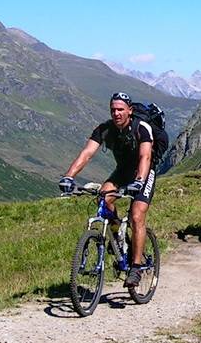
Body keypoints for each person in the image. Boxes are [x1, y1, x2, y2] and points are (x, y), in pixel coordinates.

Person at [59, 92, 157, 290]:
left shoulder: (141, 127)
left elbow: (145, 156)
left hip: (143, 172)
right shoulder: (105, 129)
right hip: (122, 172)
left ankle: (136, 268)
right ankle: (118, 239)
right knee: (103, 198)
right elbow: (86, 154)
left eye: (120, 109)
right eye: (113, 109)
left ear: (129, 110)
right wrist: (69, 177)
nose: (116, 113)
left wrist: (139, 181)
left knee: (137, 216)